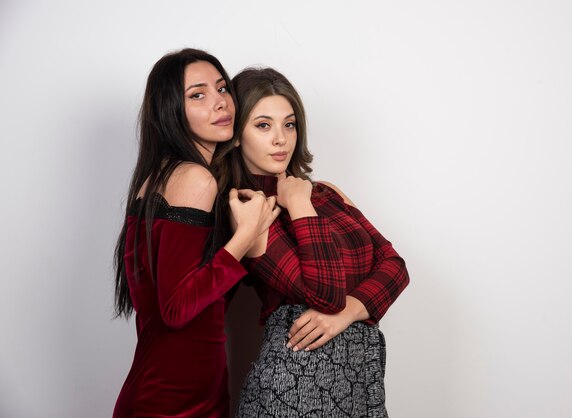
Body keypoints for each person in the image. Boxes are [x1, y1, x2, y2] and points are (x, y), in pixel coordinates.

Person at [218, 67, 410, 417]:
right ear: (235, 135)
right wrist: (299, 205)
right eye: (263, 125)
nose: (281, 139)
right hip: (294, 389)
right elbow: (325, 292)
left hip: (362, 384)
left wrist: (348, 312)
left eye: (288, 124)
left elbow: (395, 267)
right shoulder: (248, 209)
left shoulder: (327, 193)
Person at [112, 49, 280, 418]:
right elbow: (176, 310)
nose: (220, 102)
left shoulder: (164, 173)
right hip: (171, 400)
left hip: (190, 389)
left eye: (222, 89)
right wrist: (244, 237)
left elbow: (207, 303)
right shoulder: (193, 178)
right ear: (170, 109)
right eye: (198, 95)